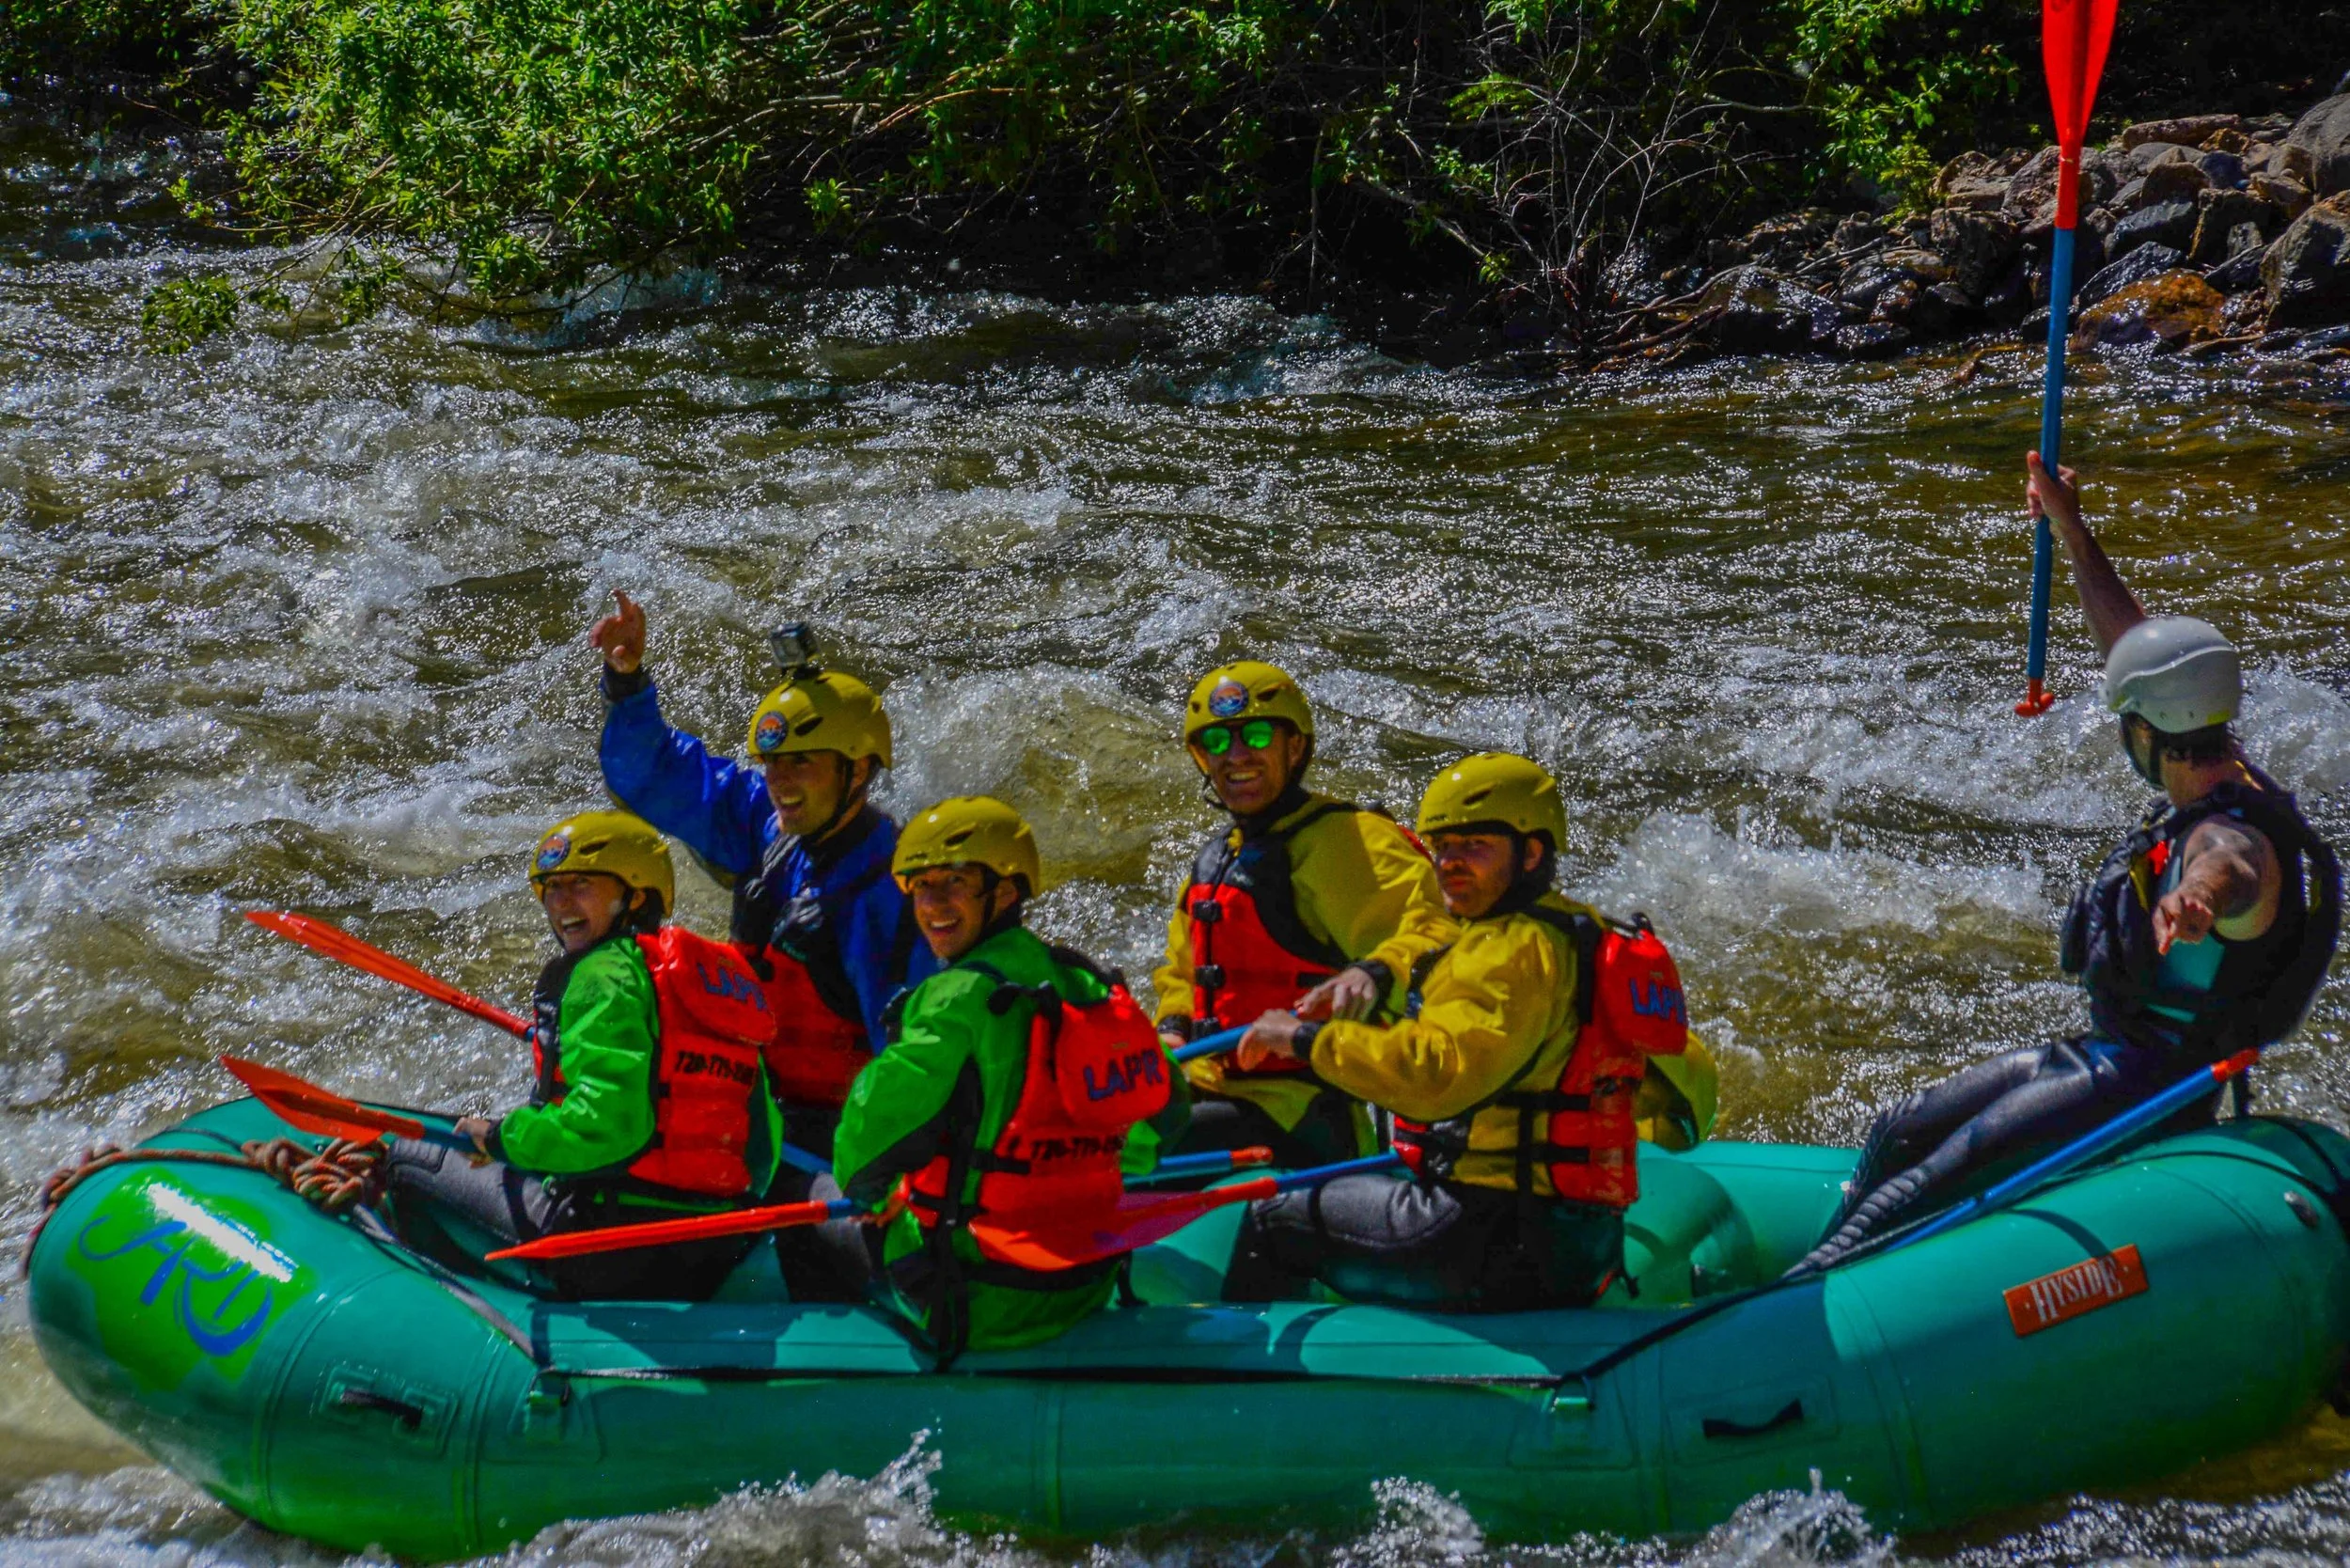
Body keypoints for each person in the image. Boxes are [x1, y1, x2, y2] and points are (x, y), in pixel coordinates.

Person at [1796, 453, 2341, 1273]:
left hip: (2155, 1089)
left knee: (1917, 1195)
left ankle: (1790, 1314)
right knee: (1897, 1132)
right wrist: (2069, 527)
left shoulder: (2228, 837)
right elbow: (2141, 653)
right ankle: (1810, 1269)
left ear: (2147, 735)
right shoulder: (2234, 768)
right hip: (2107, 1057)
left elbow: (2232, 869)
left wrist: (2193, 900)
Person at [1219, 754, 1690, 1311]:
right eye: (1442, 848)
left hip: (1484, 1237)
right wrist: (1370, 981)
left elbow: (1433, 1076)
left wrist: (1303, 1041)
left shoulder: (1507, 952)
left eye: (1475, 848)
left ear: (1532, 852)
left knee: (1274, 1214)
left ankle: (1237, 1385)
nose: (1450, 864)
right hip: (1579, 1239)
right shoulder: (1577, 930)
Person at [590, 597, 932, 1297]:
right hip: (747, 1099)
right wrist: (627, 681)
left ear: (858, 772)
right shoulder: (771, 826)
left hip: (829, 1131)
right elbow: (656, 776)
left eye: (802, 762)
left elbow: (911, 1067)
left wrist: (881, 1171)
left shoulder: (891, 896)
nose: (779, 778)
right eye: (773, 761)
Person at [834, 797, 1191, 1360]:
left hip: (977, 1300)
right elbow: (1165, 1115)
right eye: (919, 887)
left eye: (953, 882)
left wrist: (872, 1195)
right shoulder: (1088, 983)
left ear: (1003, 892)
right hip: (1084, 1281)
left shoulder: (952, 998)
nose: (932, 905)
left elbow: (866, 1145)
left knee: (830, 1231)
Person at [386, 811, 785, 1301]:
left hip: (607, 1245)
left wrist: (502, 1137)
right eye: (552, 888)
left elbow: (607, 1127)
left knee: (404, 1157)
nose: (561, 903)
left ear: (636, 896)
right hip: (716, 1248)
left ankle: (463, 1312)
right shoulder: (712, 981)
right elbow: (762, 1149)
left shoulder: (600, 976)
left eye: (580, 885)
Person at [1153, 661, 1454, 1168]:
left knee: (1126, 1154)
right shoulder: (1216, 859)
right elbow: (1182, 974)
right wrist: (1173, 1028)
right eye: (1218, 744)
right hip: (1209, 1086)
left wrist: (1372, 971)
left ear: (1294, 748)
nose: (1237, 756)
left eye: (1254, 735)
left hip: (1301, 1107)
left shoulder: (1347, 841)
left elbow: (1439, 934)